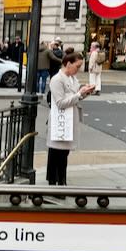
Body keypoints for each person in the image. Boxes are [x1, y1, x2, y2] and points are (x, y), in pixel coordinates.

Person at [46, 52, 96, 185]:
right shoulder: (57, 79)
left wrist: (85, 93)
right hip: (60, 122)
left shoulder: (73, 79)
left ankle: (62, 182)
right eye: (77, 66)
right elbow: (61, 102)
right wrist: (80, 94)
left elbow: (75, 99)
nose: (78, 69)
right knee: (57, 155)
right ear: (68, 64)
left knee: (64, 155)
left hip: (69, 121)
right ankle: (54, 184)